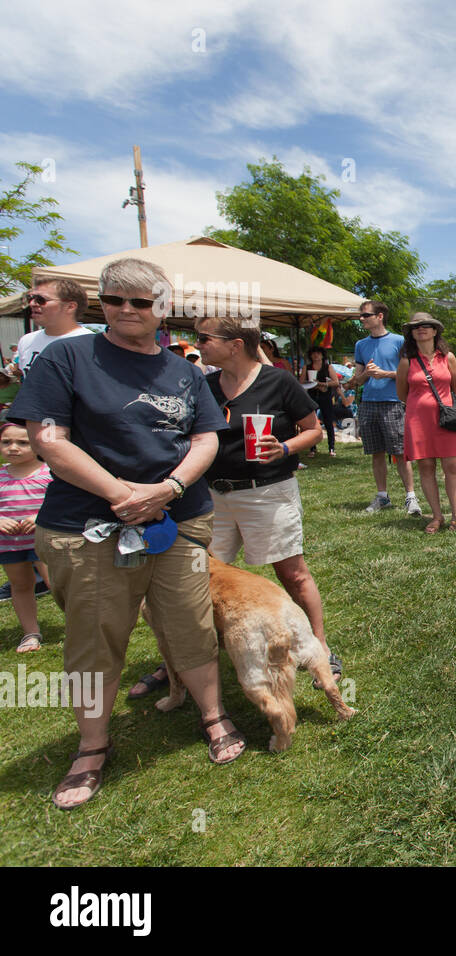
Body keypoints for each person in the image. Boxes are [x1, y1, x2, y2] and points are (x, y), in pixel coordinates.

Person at [9, 257, 243, 810]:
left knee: (190, 621)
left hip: (177, 520)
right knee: (94, 636)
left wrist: (166, 488)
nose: (128, 310)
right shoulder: (68, 355)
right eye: (117, 300)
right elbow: (49, 439)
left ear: (162, 308)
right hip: (86, 524)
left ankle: (213, 714)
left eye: (142, 302)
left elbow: (207, 437)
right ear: (101, 303)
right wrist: (121, 493)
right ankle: (91, 746)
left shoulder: (183, 371)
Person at [195, 313, 342, 685]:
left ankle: (320, 648)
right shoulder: (205, 385)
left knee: (292, 574)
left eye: (204, 338)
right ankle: (193, 654)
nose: (198, 345)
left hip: (267, 492)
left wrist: (285, 448)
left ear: (235, 345)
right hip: (214, 495)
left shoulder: (278, 381)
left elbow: (314, 431)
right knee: (200, 577)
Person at [396, 314, 456, 535]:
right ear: (411, 334)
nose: (421, 329)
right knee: (426, 467)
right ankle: (437, 516)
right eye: (416, 327)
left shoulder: (448, 357)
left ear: (435, 331)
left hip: (445, 420)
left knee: (452, 466)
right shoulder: (406, 361)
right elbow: (402, 393)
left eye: (426, 326)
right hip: (418, 421)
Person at [343, 302, 419, 516]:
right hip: (368, 404)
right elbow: (357, 380)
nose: (361, 319)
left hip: (393, 402)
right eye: (361, 315)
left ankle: (411, 497)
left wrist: (385, 374)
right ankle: (382, 496)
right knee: (376, 452)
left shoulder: (399, 341)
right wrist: (365, 374)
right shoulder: (361, 345)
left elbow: (410, 374)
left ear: (380, 316)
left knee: (400, 452)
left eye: (365, 315)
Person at [0, 422, 52, 651]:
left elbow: (61, 503)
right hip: (9, 543)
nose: (13, 447)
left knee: (57, 584)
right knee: (20, 585)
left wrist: (40, 515)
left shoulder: (50, 472)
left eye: (23, 442)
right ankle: (31, 633)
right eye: (6, 442)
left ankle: (79, 628)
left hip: (43, 540)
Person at [11, 278, 93, 380]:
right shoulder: (26, 341)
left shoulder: (92, 345)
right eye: (30, 298)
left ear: (70, 306)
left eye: (41, 299)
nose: (32, 303)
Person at [300, 346, 341, 457]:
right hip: (311, 396)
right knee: (311, 422)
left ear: (322, 355)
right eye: (313, 353)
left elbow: (336, 382)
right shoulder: (306, 367)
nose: (316, 355)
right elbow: (301, 383)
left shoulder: (328, 367)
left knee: (328, 421)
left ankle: (331, 448)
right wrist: (311, 384)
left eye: (318, 353)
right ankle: (312, 448)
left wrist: (323, 384)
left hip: (325, 396)